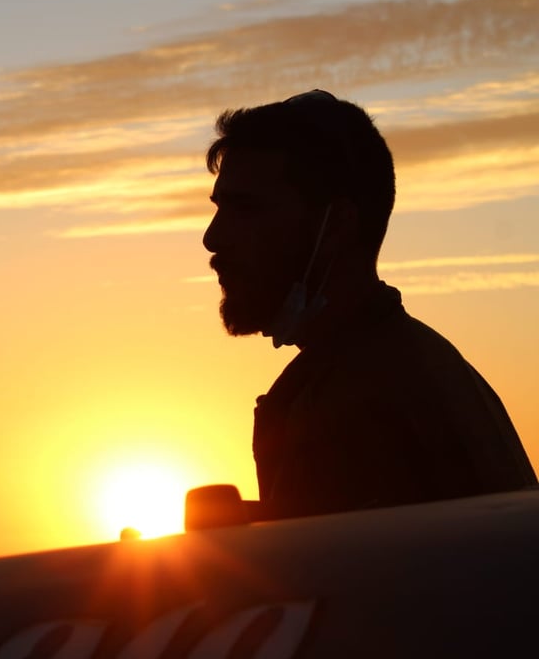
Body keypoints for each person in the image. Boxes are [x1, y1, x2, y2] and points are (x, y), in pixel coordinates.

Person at [202, 89, 536, 522]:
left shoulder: (360, 405)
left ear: (337, 224)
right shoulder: (404, 365)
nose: (213, 238)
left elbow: (366, 581)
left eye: (246, 210)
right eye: (219, 208)